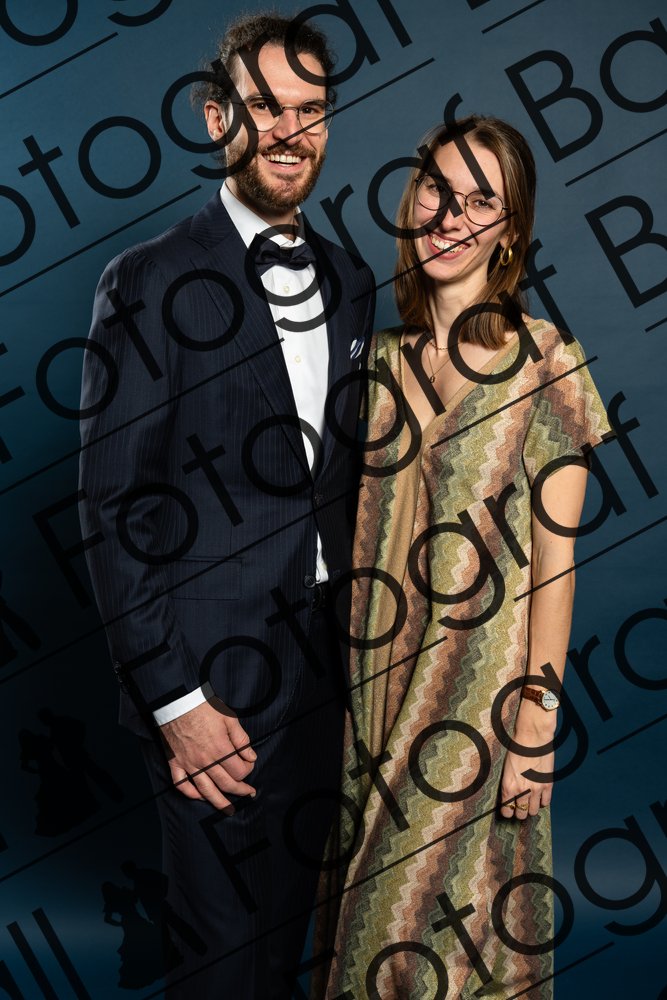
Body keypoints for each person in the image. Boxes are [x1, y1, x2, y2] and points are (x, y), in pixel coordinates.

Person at [79, 12, 375, 999]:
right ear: (218, 118)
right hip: (211, 682)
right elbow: (112, 504)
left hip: (329, 671)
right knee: (219, 958)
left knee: (291, 941)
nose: (289, 132)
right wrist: (175, 704)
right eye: (264, 107)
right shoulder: (148, 278)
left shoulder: (351, 278)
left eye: (310, 110)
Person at [313, 116, 613, 998]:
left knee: (416, 937)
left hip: (476, 708)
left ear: (510, 232)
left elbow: (555, 564)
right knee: (383, 934)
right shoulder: (373, 363)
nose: (450, 217)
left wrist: (536, 720)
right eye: (436, 190)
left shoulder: (543, 364)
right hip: (369, 695)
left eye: (480, 201)